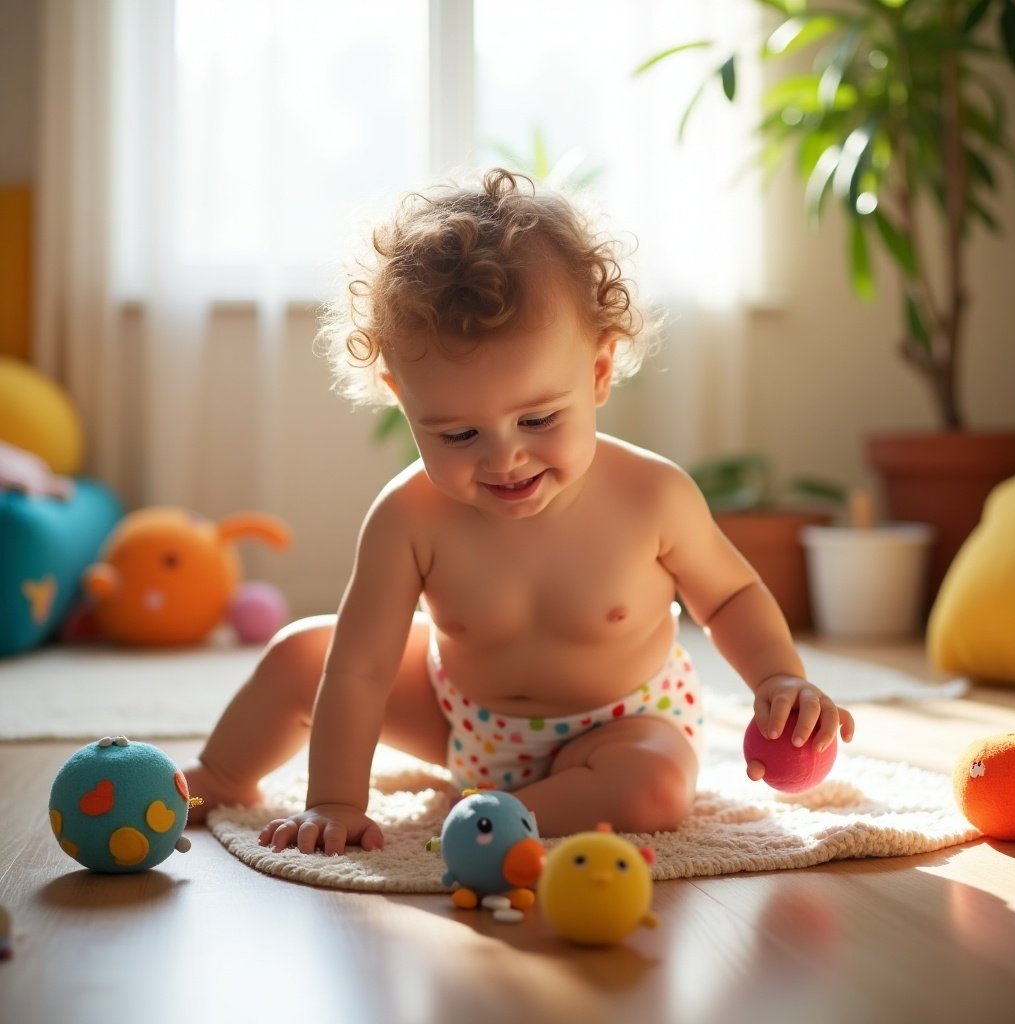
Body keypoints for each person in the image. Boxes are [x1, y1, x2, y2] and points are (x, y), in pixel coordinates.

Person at [182, 168, 855, 855]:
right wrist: (334, 801)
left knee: (652, 790)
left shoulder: (652, 496)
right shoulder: (409, 517)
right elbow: (360, 668)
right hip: (459, 718)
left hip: (622, 725)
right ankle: (223, 774)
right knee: (305, 653)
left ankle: (492, 816)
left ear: (596, 374)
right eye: (458, 435)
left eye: (537, 419)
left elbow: (732, 593)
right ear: (400, 396)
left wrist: (778, 677)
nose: (504, 459)